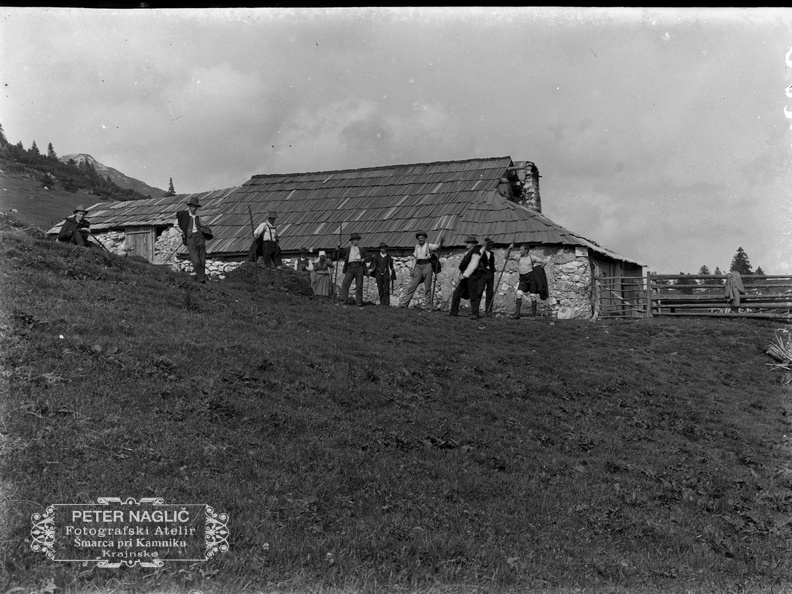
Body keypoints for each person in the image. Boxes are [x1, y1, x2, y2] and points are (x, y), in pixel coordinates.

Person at [399, 231, 443, 310]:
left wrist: (441, 242)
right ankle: (404, 304)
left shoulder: (428, 245)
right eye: (419, 238)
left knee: (427, 287)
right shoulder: (417, 247)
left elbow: (437, 247)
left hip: (427, 265)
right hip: (418, 266)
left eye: (422, 238)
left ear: (425, 238)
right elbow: (415, 258)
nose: (420, 239)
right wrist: (413, 269)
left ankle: (428, 305)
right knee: (412, 285)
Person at [449, 236, 487, 319]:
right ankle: (453, 312)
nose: (467, 244)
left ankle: (475, 313)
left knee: (473, 295)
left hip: (471, 276)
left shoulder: (475, 251)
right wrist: (460, 275)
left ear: (473, 244)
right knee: (457, 293)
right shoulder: (468, 252)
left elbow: (473, 264)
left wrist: (465, 275)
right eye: (467, 242)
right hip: (465, 275)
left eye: (468, 243)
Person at [508, 244, 549, 319]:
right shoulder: (518, 257)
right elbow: (506, 257)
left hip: (531, 279)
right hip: (523, 279)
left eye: (521, 250)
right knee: (518, 294)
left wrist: (539, 270)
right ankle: (517, 314)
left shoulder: (532, 257)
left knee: (533, 296)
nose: (520, 251)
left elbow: (544, 262)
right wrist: (509, 249)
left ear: (526, 250)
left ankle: (533, 316)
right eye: (520, 249)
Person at [176, 197, 209, 283]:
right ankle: (202, 278)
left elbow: (203, 226)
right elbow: (175, 225)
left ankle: (202, 279)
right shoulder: (184, 215)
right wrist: (183, 232)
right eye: (193, 207)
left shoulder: (198, 217)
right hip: (190, 238)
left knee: (202, 259)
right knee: (196, 261)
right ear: (189, 207)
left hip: (200, 238)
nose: (194, 209)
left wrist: (204, 231)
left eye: (196, 207)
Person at [335, 232, 369, 307]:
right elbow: (339, 254)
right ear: (351, 241)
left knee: (359, 285)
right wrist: (338, 247)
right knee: (345, 283)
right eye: (355, 240)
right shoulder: (347, 249)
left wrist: (363, 260)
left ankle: (359, 302)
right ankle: (344, 300)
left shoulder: (361, 250)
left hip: (359, 267)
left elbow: (369, 257)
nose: (356, 241)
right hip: (350, 267)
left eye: (357, 240)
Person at [482, 237, 497, 316]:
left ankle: (488, 310)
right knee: (479, 290)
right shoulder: (481, 253)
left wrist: (492, 270)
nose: (490, 246)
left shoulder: (492, 253)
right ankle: (475, 309)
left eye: (491, 245)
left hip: (490, 273)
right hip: (482, 273)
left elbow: (492, 263)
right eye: (489, 245)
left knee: (490, 292)